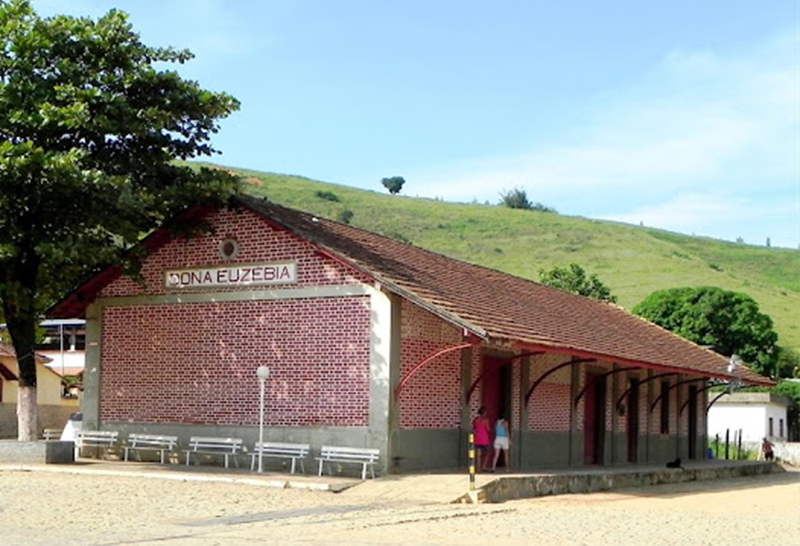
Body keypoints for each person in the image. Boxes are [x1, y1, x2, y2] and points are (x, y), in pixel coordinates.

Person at [472, 406, 492, 471]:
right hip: (484, 438)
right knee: (488, 452)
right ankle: (483, 466)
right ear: (484, 413)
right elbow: (488, 429)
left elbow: (474, 428)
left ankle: (478, 467)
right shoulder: (485, 420)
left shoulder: (475, 420)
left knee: (478, 454)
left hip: (477, 437)